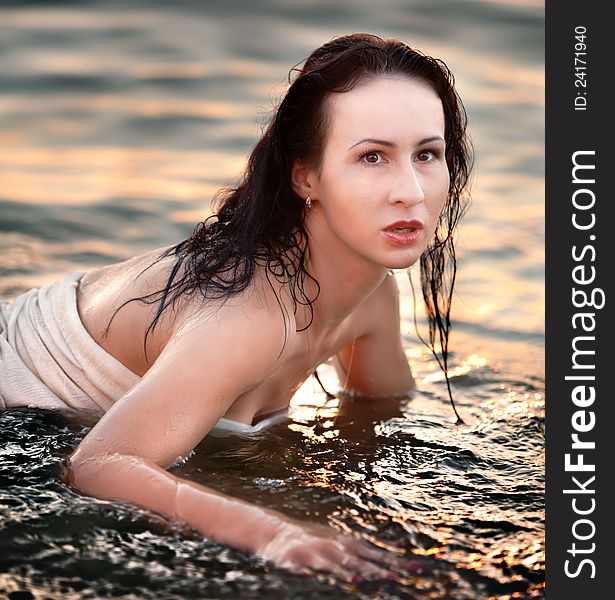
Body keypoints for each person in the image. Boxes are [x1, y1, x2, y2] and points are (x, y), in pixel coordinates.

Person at [0, 33, 471, 581]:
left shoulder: (373, 296)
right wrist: (276, 532)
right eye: (373, 157)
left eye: (427, 155)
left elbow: (378, 411)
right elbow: (98, 465)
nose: (411, 191)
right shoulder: (249, 314)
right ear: (306, 177)